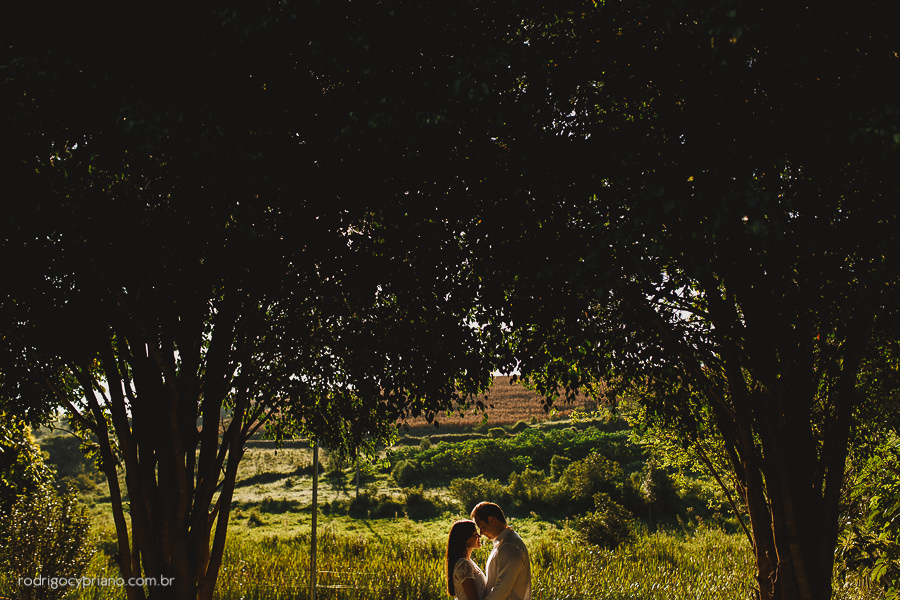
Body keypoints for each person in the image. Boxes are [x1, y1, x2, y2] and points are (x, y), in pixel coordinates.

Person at [470, 502, 531, 600]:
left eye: (482, 527)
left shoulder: (510, 546)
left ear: (491, 520)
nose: (481, 533)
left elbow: (502, 589)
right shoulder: (503, 543)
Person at [446, 519, 487, 600]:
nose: (479, 536)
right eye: (475, 534)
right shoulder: (463, 564)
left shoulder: (468, 562)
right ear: (466, 539)